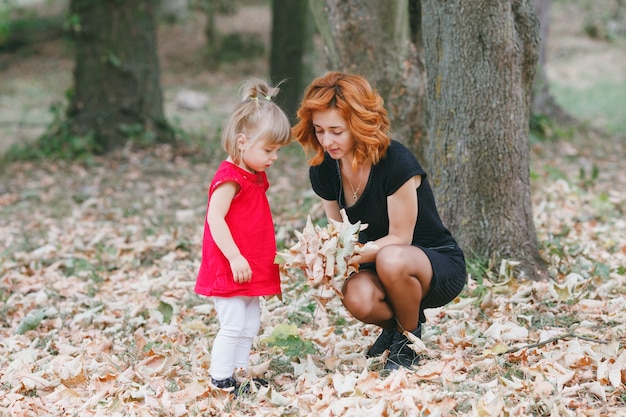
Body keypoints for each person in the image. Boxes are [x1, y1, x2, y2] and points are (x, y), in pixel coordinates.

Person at [292, 72, 467, 370]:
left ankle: (409, 342)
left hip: (432, 263)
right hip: (378, 264)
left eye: (336, 130)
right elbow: (340, 234)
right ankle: (398, 326)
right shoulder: (324, 168)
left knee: (392, 258)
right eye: (320, 130)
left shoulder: (395, 161)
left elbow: (401, 238)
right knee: (357, 297)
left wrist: (352, 252)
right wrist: (325, 254)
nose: (327, 140)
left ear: (358, 124)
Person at [194, 79, 292, 393]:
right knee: (234, 323)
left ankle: (239, 373)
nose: (274, 156)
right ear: (241, 141)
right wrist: (235, 256)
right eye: (268, 149)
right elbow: (215, 219)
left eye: (277, 150)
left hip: (248, 262)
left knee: (250, 323)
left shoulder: (254, 175)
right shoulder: (229, 178)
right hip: (229, 264)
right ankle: (221, 379)